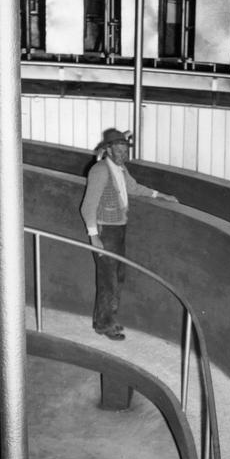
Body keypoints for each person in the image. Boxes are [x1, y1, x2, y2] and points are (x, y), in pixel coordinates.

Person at [80, 127, 178, 340]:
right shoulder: (100, 170)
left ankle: (105, 319)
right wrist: (93, 236)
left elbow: (133, 188)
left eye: (125, 147)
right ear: (108, 149)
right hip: (106, 231)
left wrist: (160, 195)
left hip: (118, 228)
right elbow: (88, 206)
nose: (123, 152)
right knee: (109, 279)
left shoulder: (120, 169)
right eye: (119, 147)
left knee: (117, 276)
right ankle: (104, 325)